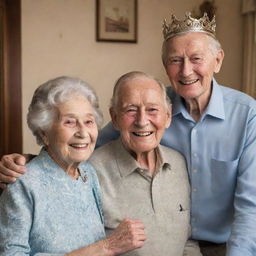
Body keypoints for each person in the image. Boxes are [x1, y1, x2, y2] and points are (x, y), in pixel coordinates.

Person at [1, 11, 256, 256]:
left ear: (218, 60)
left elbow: (250, 206)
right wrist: (32, 161)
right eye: (175, 60)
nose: (186, 70)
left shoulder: (246, 116)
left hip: (230, 244)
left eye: (196, 59)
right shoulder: (150, 105)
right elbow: (82, 143)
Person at [0, 76, 146, 256]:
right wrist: (105, 247)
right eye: (69, 122)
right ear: (44, 132)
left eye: (89, 121)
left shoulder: (88, 173)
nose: (83, 133)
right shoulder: (22, 183)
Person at [89, 71, 201, 256]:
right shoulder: (91, 171)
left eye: (152, 110)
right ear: (115, 118)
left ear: (168, 116)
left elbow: (186, 241)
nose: (142, 121)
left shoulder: (178, 163)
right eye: (131, 110)